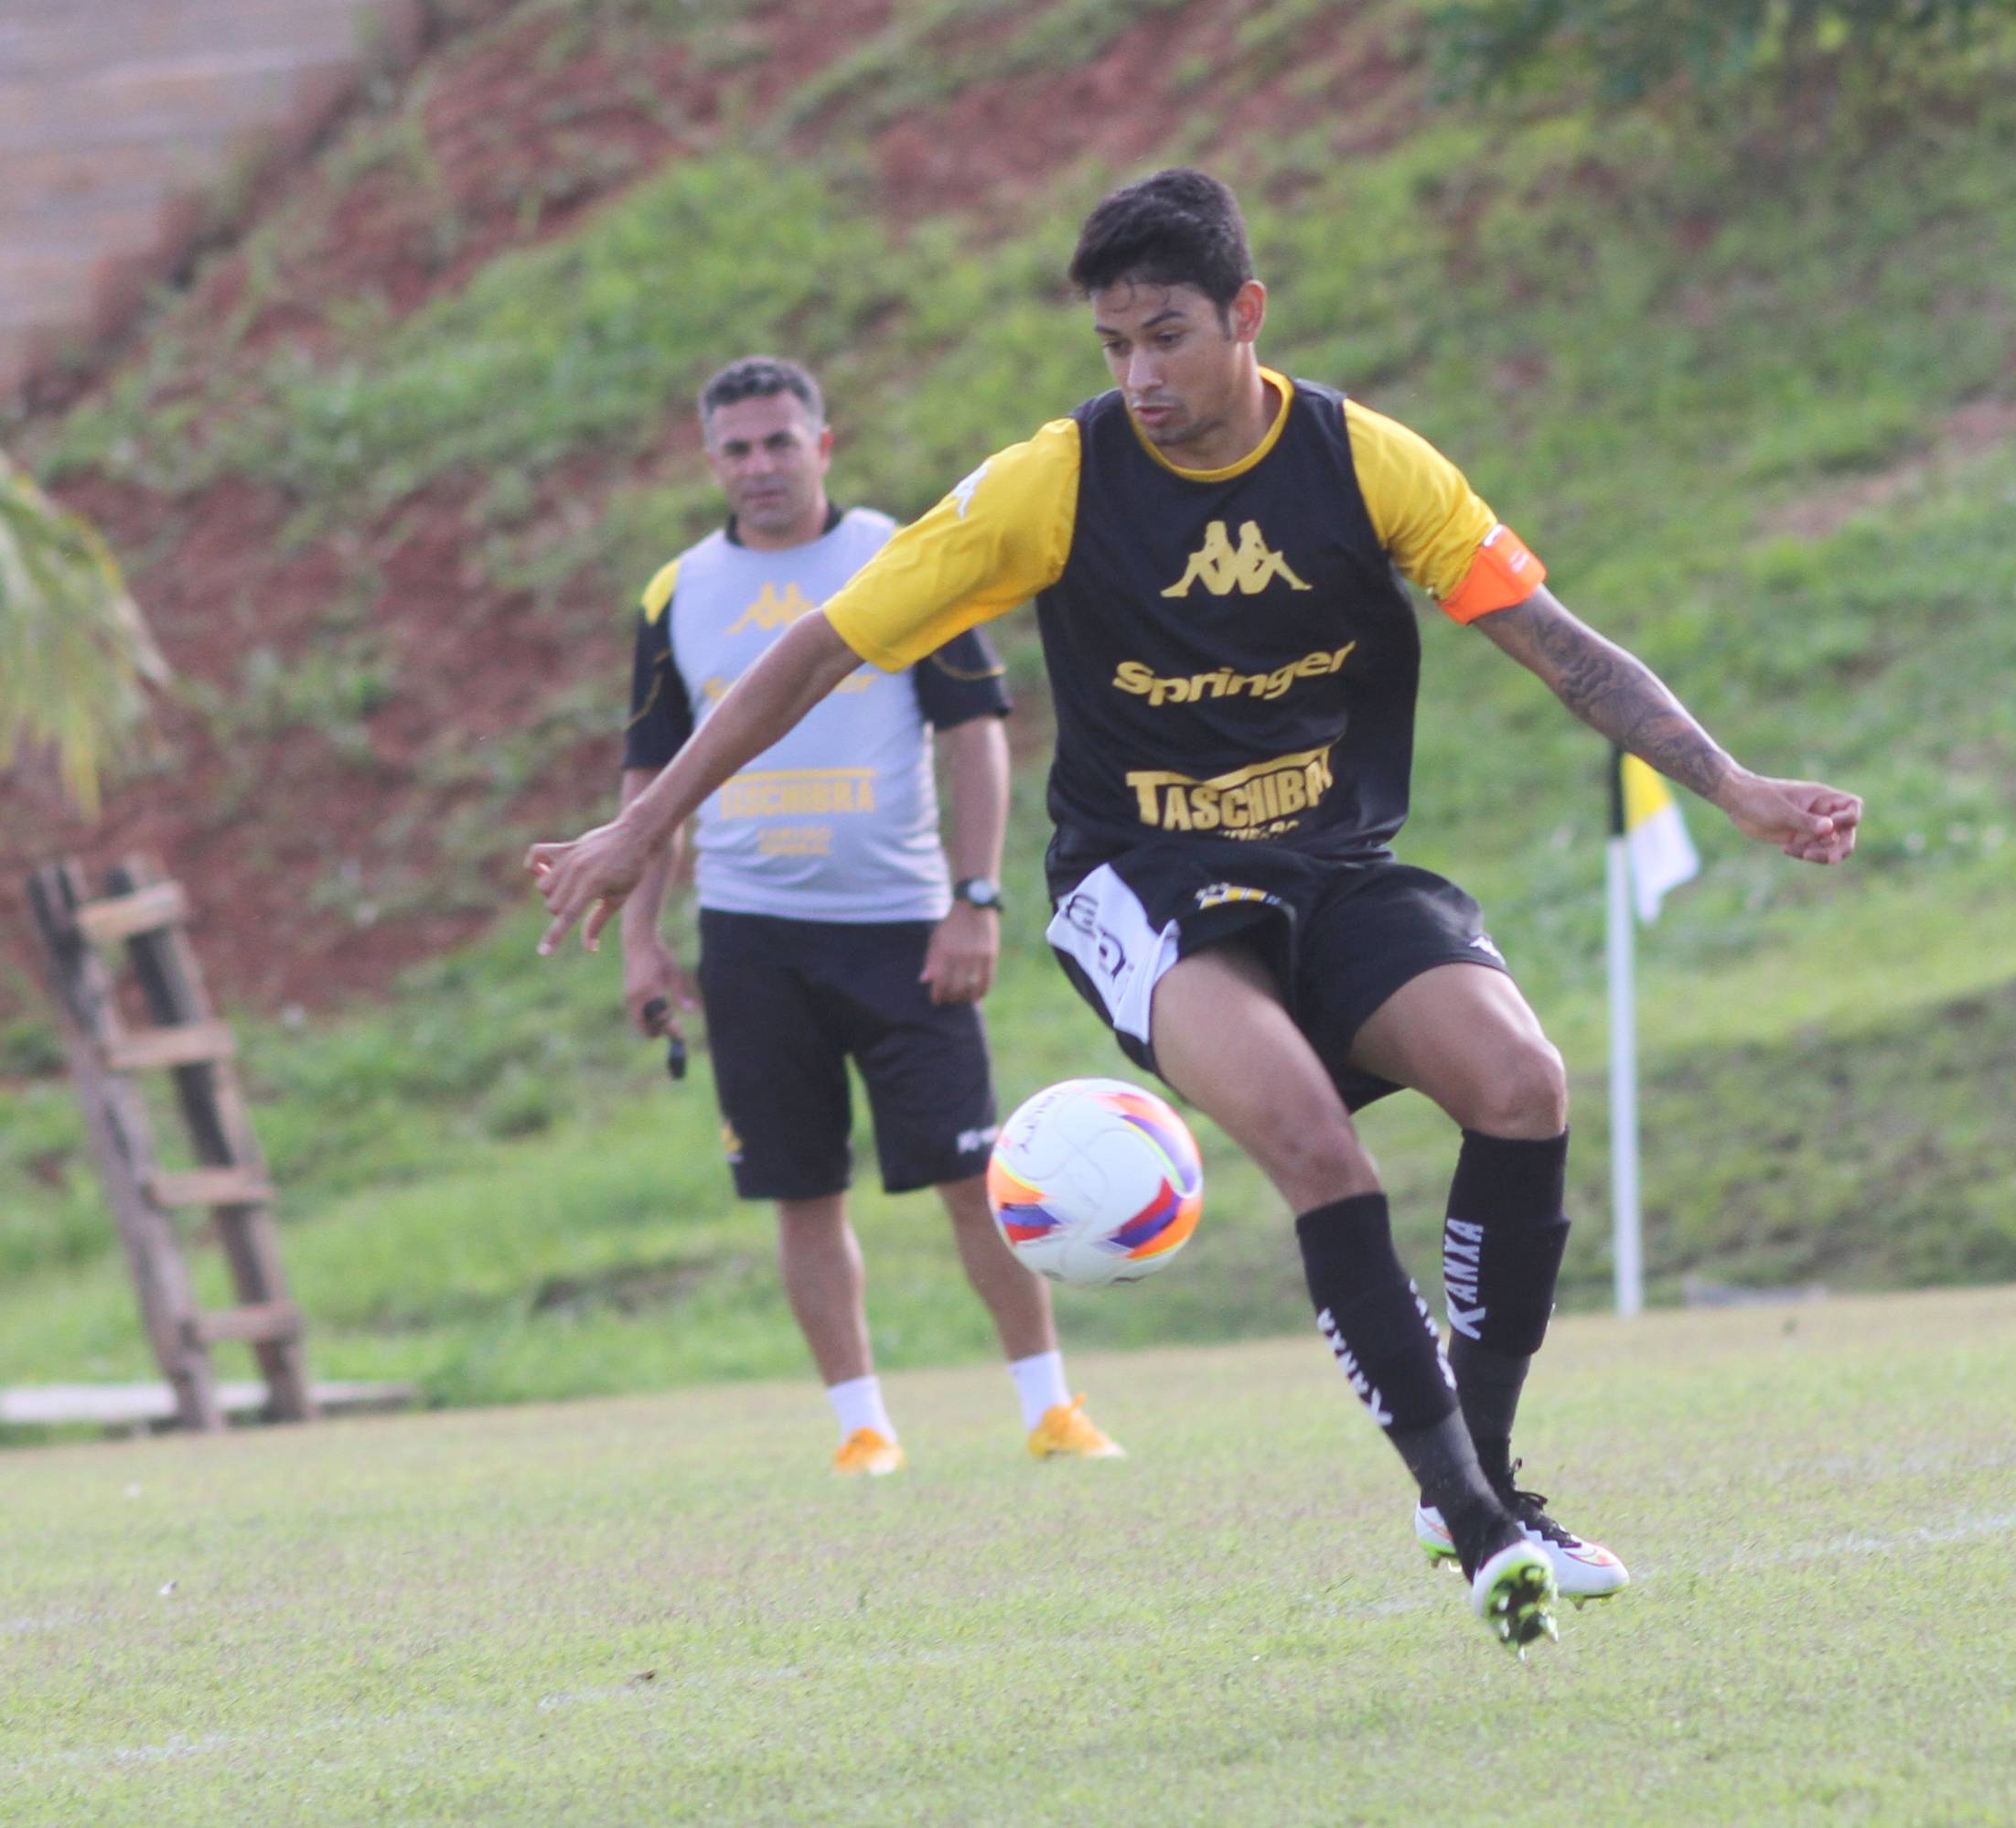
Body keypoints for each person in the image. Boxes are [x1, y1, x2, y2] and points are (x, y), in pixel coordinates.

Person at [539, 177, 1858, 1651]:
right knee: (1311, 1138)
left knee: (1524, 1083)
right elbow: (819, 654)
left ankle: (1474, 1475)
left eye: (1167, 336)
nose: (1140, 378)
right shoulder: (1055, 483)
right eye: (1112, 346)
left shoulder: (1369, 466)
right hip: (1141, 881)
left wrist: (1731, 780)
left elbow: (1554, 644)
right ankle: (1485, 1527)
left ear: (1247, 315)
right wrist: (643, 825)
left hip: (1337, 866)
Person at [618, 354, 1121, 1477]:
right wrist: (644, 939)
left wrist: (974, 898)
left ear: (823, 445)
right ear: (710, 462)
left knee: (969, 1175)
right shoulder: (677, 593)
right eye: (738, 448)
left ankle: (1049, 1408)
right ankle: (861, 1429)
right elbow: (650, 779)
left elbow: (976, 731)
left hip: (905, 931)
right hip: (750, 938)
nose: (760, 465)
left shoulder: (898, 557)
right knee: (801, 1189)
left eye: (780, 441)